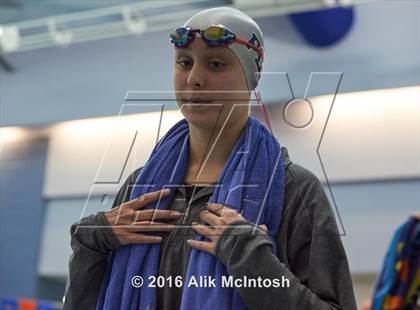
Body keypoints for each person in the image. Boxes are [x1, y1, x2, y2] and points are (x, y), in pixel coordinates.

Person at [63, 7, 357, 310]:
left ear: (250, 77)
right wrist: (91, 242)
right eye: (184, 62)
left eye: (215, 64)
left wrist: (250, 259)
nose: (194, 79)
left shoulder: (293, 189)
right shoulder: (142, 188)